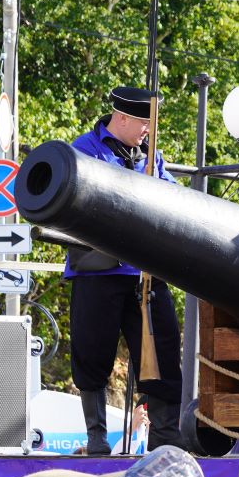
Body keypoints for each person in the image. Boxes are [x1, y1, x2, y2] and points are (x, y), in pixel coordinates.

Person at [64, 86, 185, 455]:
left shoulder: (153, 157)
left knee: (163, 353)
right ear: (122, 118)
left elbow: (175, 198)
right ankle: (96, 438)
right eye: (145, 123)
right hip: (97, 271)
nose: (149, 130)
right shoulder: (84, 150)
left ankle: (165, 438)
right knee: (92, 352)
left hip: (145, 273)